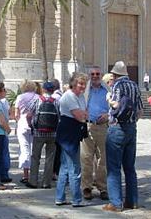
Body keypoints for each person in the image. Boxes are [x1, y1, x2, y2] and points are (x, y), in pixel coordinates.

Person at [103, 61, 143, 212]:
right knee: (130, 167)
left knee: (113, 167)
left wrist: (108, 99)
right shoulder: (135, 85)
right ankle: (132, 201)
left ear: (114, 74)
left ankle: (115, 203)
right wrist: (131, 121)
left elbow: (116, 105)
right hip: (132, 129)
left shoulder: (117, 86)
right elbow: (140, 110)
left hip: (117, 128)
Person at [55, 73, 88, 207]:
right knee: (75, 168)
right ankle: (76, 199)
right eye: (80, 83)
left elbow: (85, 113)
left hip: (73, 133)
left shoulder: (79, 96)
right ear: (73, 83)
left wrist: (83, 114)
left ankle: (60, 197)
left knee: (64, 167)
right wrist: (83, 115)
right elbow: (80, 116)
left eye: (84, 83)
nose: (83, 86)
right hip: (68, 135)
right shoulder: (69, 96)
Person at [81, 66, 110, 200]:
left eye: (97, 74)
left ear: (101, 75)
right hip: (88, 126)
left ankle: (102, 187)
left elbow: (114, 107)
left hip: (103, 127)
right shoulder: (85, 91)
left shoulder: (107, 91)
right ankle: (86, 187)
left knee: (102, 159)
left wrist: (108, 115)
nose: (95, 76)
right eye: (92, 74)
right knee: (86, 158)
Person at [25, 82, 59, 189]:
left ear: (43, 89)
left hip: (39, 132)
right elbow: (60, 116)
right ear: (53, 90)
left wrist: (31, 124)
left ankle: (33, 181)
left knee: (35, 157)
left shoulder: (37, 100)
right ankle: (46, 182)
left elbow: (29, 114)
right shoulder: (57, 101)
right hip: (53, 133)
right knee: (50, 158)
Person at [15, 79, 38, 183]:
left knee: (24, 149)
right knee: (34, 150)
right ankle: (34, 175)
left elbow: (16, 114)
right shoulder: (38, 97)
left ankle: (25, 175)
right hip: (34, 124)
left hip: (23, 123)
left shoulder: (20, 97)